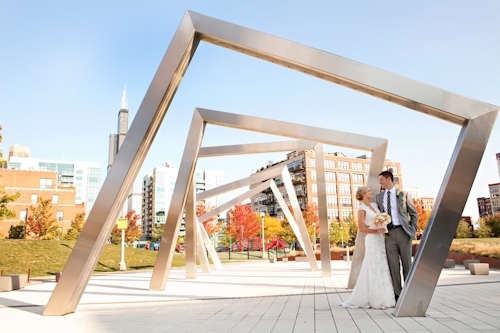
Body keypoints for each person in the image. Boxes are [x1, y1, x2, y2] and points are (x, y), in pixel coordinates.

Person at [341, 186, 395, 309]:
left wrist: (383, 226)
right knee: (373, 266)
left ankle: (386, 298)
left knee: (382, 266)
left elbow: (380, 220)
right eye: (369, 191)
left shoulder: (375, 205)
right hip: (372, 239)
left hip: (381, 239)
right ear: (364, 193)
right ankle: (376, 300)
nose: (371, 192)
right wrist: (376, 232)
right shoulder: (361, 209)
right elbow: (361, 228)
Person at [377, 171, 418, 302]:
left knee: (407, 264)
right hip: (388, 235)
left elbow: (414, 214)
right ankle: (398, 295)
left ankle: (409, 292)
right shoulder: (379, 197)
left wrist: (412, 230)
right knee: (393, 266)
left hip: (403, 233)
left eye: (381, 179)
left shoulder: (404, 194)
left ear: (389, 179)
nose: (380, 182)